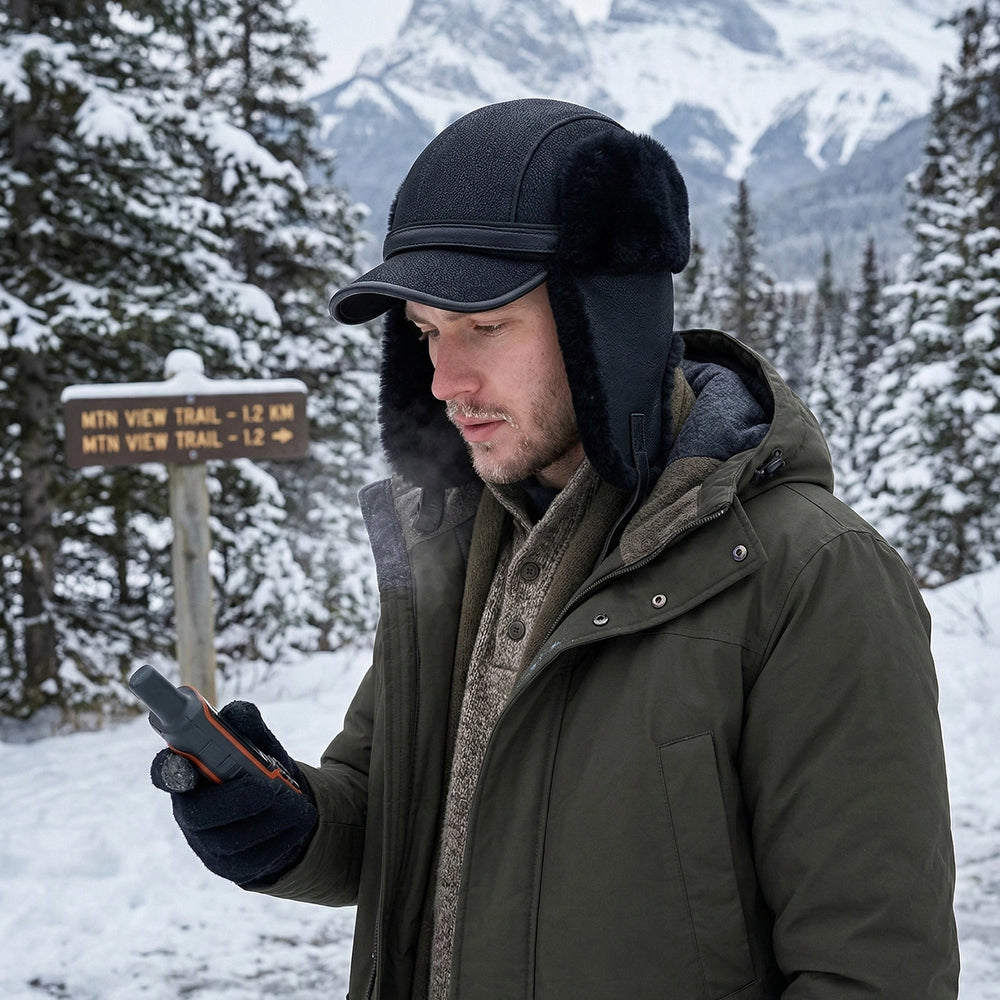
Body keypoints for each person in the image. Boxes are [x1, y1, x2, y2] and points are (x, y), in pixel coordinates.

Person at [150, 98, 960, 999]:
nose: (445, 381)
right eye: (425, 333)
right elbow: (395, 816)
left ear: (602, 324)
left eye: (485, 326)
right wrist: (286, 821)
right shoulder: (458, 548)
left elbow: (874, 969)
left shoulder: (808, 575)